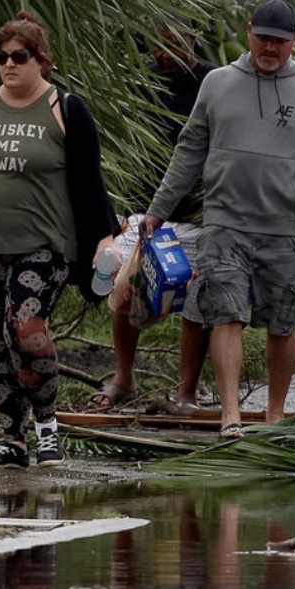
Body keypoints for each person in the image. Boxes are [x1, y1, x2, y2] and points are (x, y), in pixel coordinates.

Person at [140, 0, 295, 438]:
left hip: (283, 229)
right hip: (225, 226)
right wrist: (158, 210)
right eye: (263, 38)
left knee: (284, 322)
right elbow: (189, 151)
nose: (270, 48)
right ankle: (231, 415)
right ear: (248, 32)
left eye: (280, 41)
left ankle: (275, 415)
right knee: (225, 314)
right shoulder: (218, 84)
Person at [0, 11, 119, 468]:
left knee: (26, 328)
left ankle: (48, 429)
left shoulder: (65, 108)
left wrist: (103, 240)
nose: (9, 64)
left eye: (19, 56)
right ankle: (13, 441)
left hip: (44, 244)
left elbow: (89, 183)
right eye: (1, 57)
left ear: (42, 61)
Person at [94, 22, 217, 413]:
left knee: (197, 298)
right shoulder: (141, 81)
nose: (163, 54)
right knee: (124, 288)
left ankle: (186, 392)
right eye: (158, 45)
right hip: (141, 205)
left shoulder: (212, 83)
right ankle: (124, 377)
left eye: (173, 45)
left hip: (194, 210)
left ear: (192, 38)